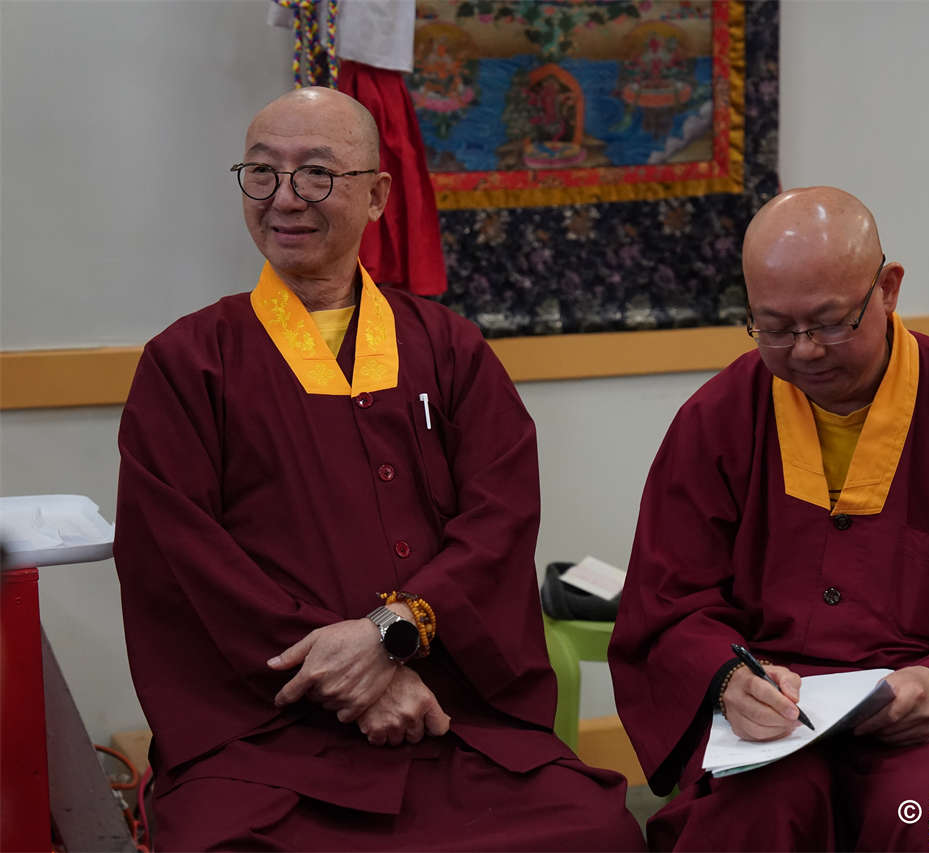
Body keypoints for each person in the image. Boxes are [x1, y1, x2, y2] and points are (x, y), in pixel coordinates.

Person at [114, 87, 644, 851]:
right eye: (261, 173)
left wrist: (394, 632)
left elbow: (498, 523)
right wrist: (356, 676)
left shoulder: (450, 349)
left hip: (449, 712)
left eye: (317, 173)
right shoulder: (189, 363)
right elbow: (180, 560)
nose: (284, 198)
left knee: (596, 831)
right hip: (270, 732)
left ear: (377, 196)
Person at [608, 187, 929, 851]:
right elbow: (666, 602)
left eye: (831, 323)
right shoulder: (716, 420)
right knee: (753, 820)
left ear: (888, 289)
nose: (805, 351)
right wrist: (727, 679)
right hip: (768, 722)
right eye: (774, 328)